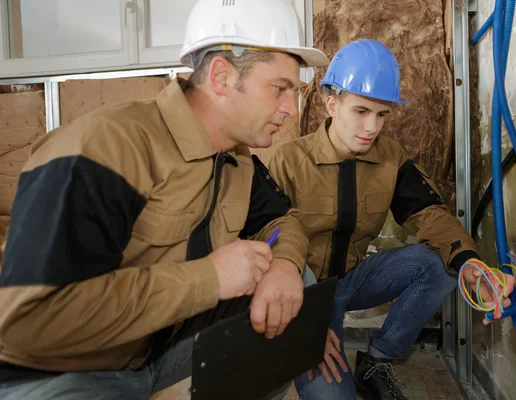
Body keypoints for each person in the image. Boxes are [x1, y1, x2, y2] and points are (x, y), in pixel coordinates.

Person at [0, 0, 328, 399]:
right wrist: (209, 278)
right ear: (222, 77)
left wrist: (284, 267)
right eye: (280, 88)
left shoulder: (233, 161)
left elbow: (282, 222)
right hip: (62, 371)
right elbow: (33, 321)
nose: (291, 110)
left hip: (151, 353)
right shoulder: (106, 148)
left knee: (296, 285)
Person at [268, 39, 516, 400]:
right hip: (304, 296)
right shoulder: (286, 162)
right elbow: (268, 245)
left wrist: (469, 263)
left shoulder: (390, 158)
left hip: (352, 280)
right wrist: (305, 325)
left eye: (382, 115)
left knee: (440, 262)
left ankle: (377, 360)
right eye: (361, 111)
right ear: (332, 104)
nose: (372, 127)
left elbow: (429, 214)